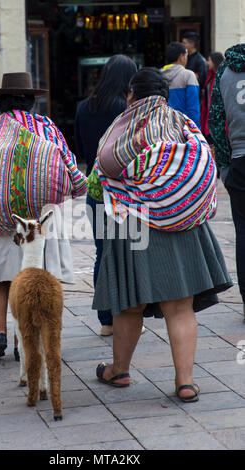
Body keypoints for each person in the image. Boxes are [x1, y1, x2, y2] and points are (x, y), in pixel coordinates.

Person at [92, 68, 232, 401]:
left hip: (134, 225)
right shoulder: (183, 124)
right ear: (165, 95)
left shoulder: (124, 127)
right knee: (180, 308)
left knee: (129, 307)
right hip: (181, 223)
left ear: (131, 94)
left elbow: (104, 167)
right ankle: (185, 382)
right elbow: (203, 163)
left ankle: (119, 371)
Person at [0, 72, 86, 358]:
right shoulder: (46, 127)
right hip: (34, 220)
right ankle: (21, 341)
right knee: (29, 276)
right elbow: (68, 165)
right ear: (30, 101)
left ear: (1, 102)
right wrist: (79, 187)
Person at [75, 55, 138, 336]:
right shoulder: (126, 110)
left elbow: (80, 149)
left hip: (95, 189)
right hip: (124, 191)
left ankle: (106, 321)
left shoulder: (83, 108)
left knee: (102, 252)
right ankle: (128, 316)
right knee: (128, 252)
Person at [208, 43, 245, 319]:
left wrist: (223, 165)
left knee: (243, 234)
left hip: (239, 161)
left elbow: (215, 120)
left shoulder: (224, 70)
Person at [162, 41, 200, 128]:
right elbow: (193, 108)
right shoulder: (188, 75)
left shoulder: (158, 75)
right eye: (186, 55)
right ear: (181, 57)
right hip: (183, 128)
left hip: (163, 128)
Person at [201, 52, 224, 141]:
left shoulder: (221, 76)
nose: (207, 62)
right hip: (208, 115)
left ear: (215, 61)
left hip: (218, 119)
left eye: (209, 60)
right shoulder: (210, 76)